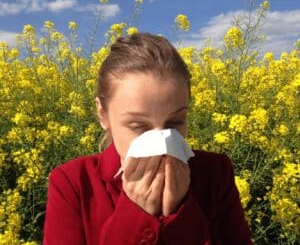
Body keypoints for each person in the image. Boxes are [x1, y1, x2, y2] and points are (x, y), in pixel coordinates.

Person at [42, 33, 253, 245]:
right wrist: (135, 213)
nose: (161, 142)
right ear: (103, 115)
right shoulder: (73, 183)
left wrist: (180, 210)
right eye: (138, 126)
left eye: (175, 123)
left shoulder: (214, 172)